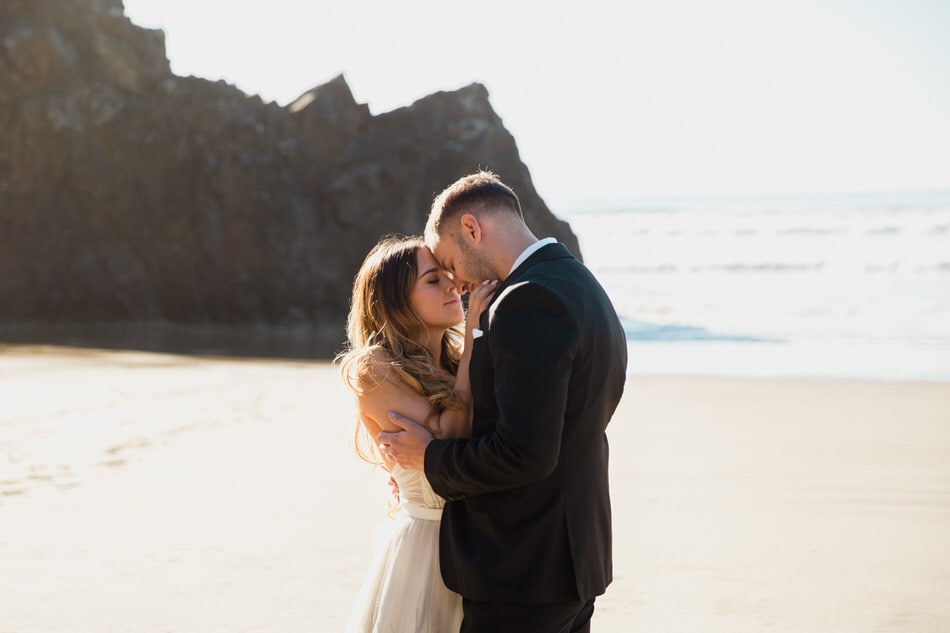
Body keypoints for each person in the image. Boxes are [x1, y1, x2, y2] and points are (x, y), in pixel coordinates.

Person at [378, 171, 628, 633]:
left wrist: (429, 457)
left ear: (472, 229)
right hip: (573, 556)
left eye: (451, 262)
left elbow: (525, 453)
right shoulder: (580, 282)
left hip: (523, 567)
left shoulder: (525, 302)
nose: (457, 280)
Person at [336, 234, 497, 633]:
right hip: (426, 551)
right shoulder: (374, 368)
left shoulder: (454, 362)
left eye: (448, 275)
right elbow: (450, 437)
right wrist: (475, 329)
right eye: (432, 280)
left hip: (479, 545)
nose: (453, 286)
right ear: (396, 301)